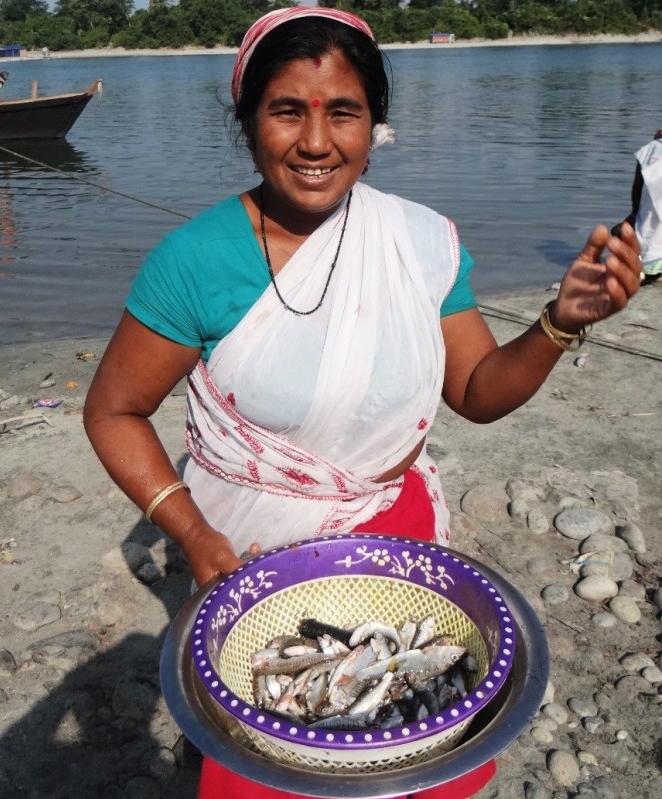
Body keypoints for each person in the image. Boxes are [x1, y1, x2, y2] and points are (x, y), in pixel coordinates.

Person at [83, 8, 641, 799]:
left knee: (411, 751)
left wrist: (558, 322)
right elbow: (112, 411)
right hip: (248, 561)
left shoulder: (416, 242)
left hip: (397, 540)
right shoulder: (194, 259)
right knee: (269, 764)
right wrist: (194, 534)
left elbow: (477, 392)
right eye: (287, 110)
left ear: (375, 124)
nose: (316, 141)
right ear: (246, 122)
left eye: (342, 111)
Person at [612, 128, 662, 284]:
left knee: (617, 232)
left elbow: (637, 186)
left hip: (646, 260)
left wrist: (634, 213)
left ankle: (642, 270)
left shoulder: (648, 152)